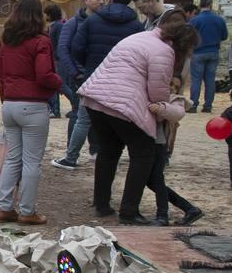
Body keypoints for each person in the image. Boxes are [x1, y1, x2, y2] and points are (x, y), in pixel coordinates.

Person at [78, 13, 188, 224]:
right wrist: (163, 108)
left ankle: (101, 205)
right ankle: (129, 212)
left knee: (108, 152)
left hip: (96, 98)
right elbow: (157, 91)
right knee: (143, 154)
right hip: (123, 103)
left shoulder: (138, 37)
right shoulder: (164, 50)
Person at [0, 0, 62, 226]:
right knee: (32, 161)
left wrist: (6, 98)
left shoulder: (7, 41)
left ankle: (3, 207)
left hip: (9, 104)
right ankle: (26, 210)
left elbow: (1, 75)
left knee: (13, 158)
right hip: (32, 105)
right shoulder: (41, 41)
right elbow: (43, 75)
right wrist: (59, 83)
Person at [145, 30, 204, 226]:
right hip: (152, 141)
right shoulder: (156, 94)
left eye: (174, 85)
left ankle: (163, 215)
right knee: (152, 181)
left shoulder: (176, 101)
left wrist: (160, 107)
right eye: (168, 83)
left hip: (160, 144)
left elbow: (175, 112)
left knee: (156, 180)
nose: (170, 88)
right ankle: (189, 209)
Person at [51, 0, 107, 169]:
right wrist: (75, 73)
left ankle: (95, 149)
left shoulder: (105, 22)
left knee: (96, 116)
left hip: (103, 77)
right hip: (80, 76)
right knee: (79, 114)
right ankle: (71, 151)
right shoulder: (73, 23)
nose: (101, 1)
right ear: (87, 1)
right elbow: (63, 49)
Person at [188, 0, 229, 113]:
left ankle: (193, 105)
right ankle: (208, 106)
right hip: (213, 52)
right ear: (211, 5)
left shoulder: (194, 20)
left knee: (196, 80)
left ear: (200, 5)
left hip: (198, 53)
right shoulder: (219, 19)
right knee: (210, 80)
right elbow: (224, 36)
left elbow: (188, 36)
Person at [44, 3, 65, 117]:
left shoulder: (58, 26)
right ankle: (54, 109)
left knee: (60, 86)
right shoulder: (53, 25)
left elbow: (59, 44)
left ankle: (56, 109)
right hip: (53, 58)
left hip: (57, 59)